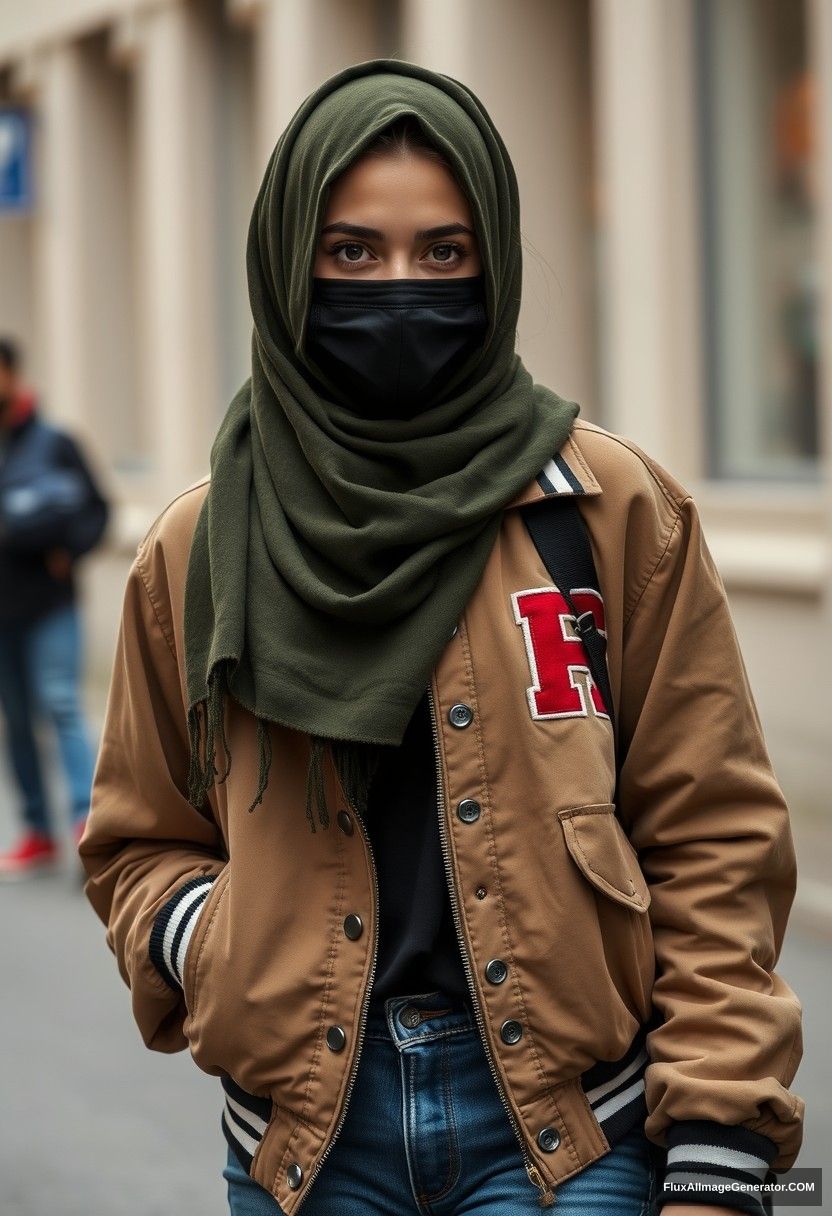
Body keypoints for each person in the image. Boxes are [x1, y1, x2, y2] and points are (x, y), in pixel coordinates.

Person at [79, 59, 804, 1216]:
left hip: (573, 1130)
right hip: (308, 1143)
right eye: (353, 252)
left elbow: (711, 836)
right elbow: (133, 841)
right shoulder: (199, 546)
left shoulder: (606, 508)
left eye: (444, 253)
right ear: (288, 264)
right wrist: (218, 941)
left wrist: (719, 1144)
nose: (401, 288)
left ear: (495, 262)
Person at [0, 337, 109, 876]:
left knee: (62, 704)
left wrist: (73, 550)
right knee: (16, 723)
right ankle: (39, 833)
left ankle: (86, 825)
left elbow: (97, 508)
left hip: (49, 606)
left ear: (11, 374)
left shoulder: (53, 443)